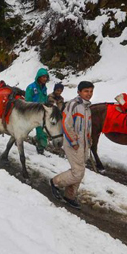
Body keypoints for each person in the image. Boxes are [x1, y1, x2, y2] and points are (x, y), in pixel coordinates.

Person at [50, 81, 94, 209]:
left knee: (79, 170)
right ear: (79, 92)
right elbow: (66, 124)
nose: (89, 94)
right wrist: (73, 142)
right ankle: (55, 182)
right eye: (86, 91)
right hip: (73, 144)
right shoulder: (73, 105)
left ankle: (70, 196)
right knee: (78, 172)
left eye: (91, 91)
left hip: (84, 144)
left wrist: (89, 140)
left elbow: (87, 127)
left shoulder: (87, 108)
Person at [25, 68, 49, 154]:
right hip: (32, 111)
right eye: (43, 77)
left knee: (41, 129)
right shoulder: (31, 87)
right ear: (38, 77)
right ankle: (17, 138)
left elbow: (45, 99)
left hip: (41, 112)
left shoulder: (44, 88)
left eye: (46, 77)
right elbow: (27, 100)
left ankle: (41, 146)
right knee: (25, 128)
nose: (45, 79)